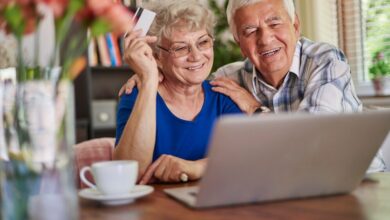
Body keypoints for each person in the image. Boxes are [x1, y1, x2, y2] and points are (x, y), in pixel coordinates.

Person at [119, 0, 385, 171]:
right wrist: (149, 76)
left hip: (358, 180)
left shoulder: (325, 61)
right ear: (239, 43)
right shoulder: (228, 80)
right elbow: (126, 172)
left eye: (274, 23)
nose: (266, 39)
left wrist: (256, 110)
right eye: (250, 31)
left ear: (295, 26)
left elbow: (297, 150)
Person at [114, 0, 242, 185]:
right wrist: (149, 80)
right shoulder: (136, 95)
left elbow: (246, 159)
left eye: (203, 42)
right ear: (157, 56)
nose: (196, 56)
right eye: (181, 47)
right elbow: (128, 175)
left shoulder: (223, 95)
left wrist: (197, 167)